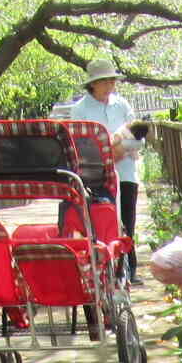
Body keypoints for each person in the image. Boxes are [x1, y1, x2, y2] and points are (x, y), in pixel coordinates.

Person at [68, 59, 142, 284]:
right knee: (103, 220)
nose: (111, 84)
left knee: (127, 220)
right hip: (96, 176)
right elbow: (79, 145)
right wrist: (110, 152)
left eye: (113, 80)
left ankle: (129, 270)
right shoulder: (80, 110)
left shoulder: (121, 105)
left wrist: (117, 149)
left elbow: (138, 137)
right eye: (107, 80)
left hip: (126, 172)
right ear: (94, 83)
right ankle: (106, 270)